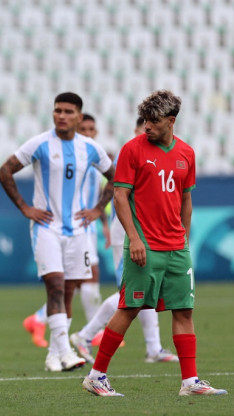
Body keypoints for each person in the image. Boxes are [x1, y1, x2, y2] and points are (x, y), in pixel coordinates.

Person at [82, 90, 227, 397]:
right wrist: (134, 238)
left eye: (153, 121)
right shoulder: (132, 150)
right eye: (145, 120)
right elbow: (120, 196)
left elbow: (186, 199)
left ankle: (190, 382)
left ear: (171, 121)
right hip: (144, 247)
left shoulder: (186, 153)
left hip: (176, 248)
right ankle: (96, 376)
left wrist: (184, 239)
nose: (146, 126)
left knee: (184, 311)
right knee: (130, 307)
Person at [0, 92, 114, 372]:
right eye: (57, 110)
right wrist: (25, 207)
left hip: (78, 231)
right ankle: (66, 350)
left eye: (68, 111)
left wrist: (98, 209)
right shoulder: (40, 143)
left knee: (69, 291)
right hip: (46, 228)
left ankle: (53, 356)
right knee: (56, 286)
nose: (61, 115)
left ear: (79, 117)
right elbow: (4, 171)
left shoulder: (91, 148)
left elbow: (116, 177)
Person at [70, 117, 179, 364]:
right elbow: (118, 192)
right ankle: (86, 335)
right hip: (128, 232)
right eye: (145, 127)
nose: (149, 132)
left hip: (145, 231)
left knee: (145, 289)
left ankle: (153, 348)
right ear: (137, 130)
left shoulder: (159, 155)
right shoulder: (129, 153)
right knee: (131, 291)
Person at [21, 113, 106, 348]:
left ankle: (40, 320)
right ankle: (92, 331)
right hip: (71, 227)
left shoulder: (93, 159)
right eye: (85, 129)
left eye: (92, 129)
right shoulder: (74, 160)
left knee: (74, 284)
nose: (88, 133)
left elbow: (99, 195)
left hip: (87, 227)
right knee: (81, 280)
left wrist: (103, 222)